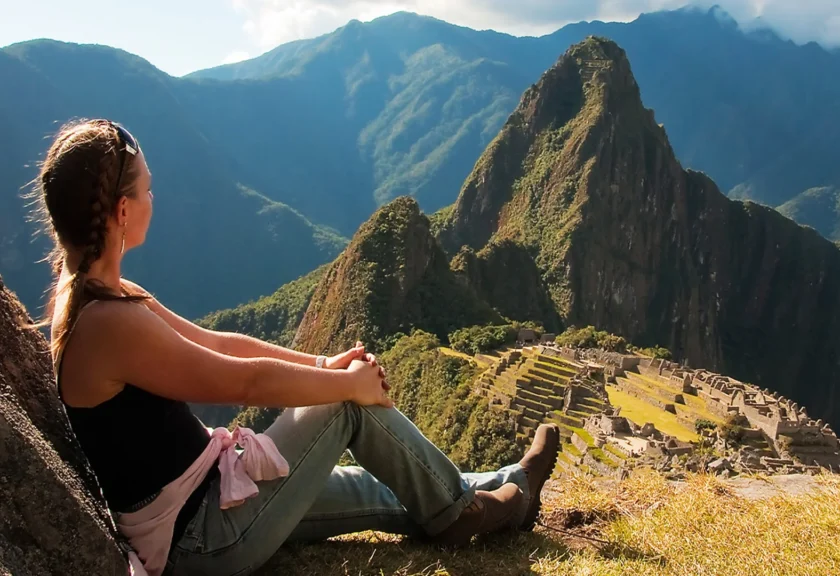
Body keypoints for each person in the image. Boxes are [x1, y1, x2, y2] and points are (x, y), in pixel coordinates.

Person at [31, 119, 561, 576]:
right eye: (148, 190)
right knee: (343, 406)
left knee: (376, 489)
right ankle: (463, 516)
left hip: (218, 495)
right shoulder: (106, 323)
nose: (155, 199)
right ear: (122, 211)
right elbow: (245, 383)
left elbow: (218, 342)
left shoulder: (100, 296)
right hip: (204, 535)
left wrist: (323, 363)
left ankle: (511, 489)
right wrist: (346, 383)